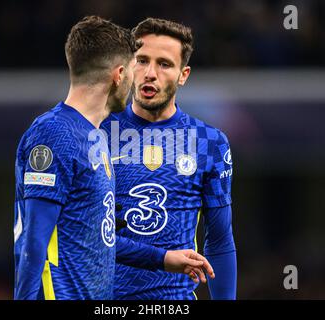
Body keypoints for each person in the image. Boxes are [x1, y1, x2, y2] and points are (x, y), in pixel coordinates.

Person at [14, 16, 214, 300]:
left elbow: (100, 238)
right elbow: (33, 244)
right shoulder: (54, 133)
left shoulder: (94, 138)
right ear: (119, 75)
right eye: (136, 67)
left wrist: (163, 258)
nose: (141, 78)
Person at [101, 18, 236, 300]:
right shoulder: (97, 133)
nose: (150, 73)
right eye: (141, 60)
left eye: (164, 64)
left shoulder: (209, 142)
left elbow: (220, 241)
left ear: (183, 75)